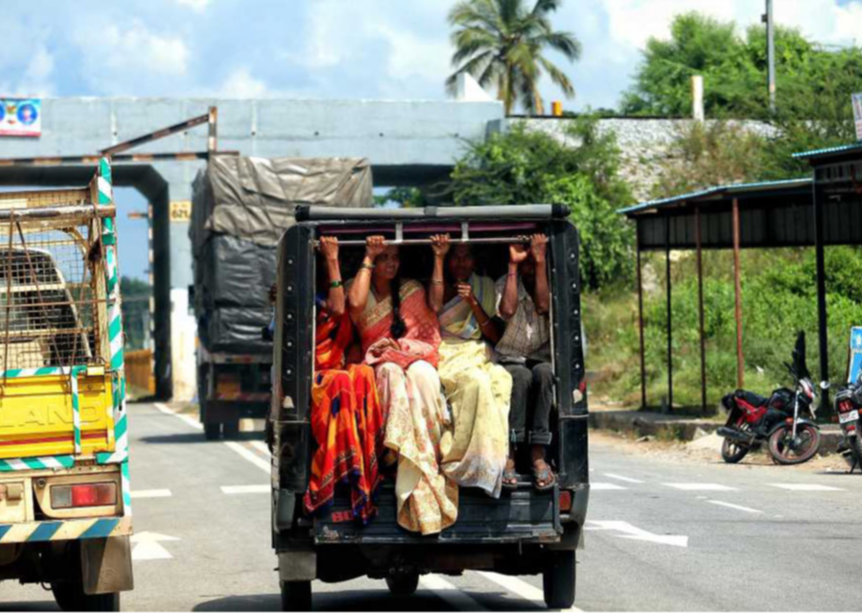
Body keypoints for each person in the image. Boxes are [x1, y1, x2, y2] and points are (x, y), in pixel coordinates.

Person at [348, 236, 457, 536]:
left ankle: (428, 454)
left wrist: (404, 348)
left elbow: (426, 336)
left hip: (412, 355)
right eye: (385, 257)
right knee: (391, 374)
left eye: (395, 257)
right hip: (378, 362)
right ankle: (393, 452)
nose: (391, 263)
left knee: (424, 374)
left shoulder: (410, 290)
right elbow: (355, 307)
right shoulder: (357, 285)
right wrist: (369, 256)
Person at [303, 237, 384, 524]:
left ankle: (367, 464)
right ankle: (340, 469)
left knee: (361, 374)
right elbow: (337, 309)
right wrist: (332, 257)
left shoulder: (347, 292)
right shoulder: (307, 297)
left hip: (337, 368)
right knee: (339, 381)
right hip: (316, 378)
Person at [427, 234, 512, 498]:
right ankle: (463, 457)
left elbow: (494, 336)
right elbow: (434, 305)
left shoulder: (483, 286)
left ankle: (496, 458)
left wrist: (473, 302)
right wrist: (438, 258)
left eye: (467, 256)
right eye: (456, 256)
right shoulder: (434, 283)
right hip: (446, 351)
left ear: (474, 261)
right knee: (476, 383)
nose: (461, 262)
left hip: (476, 350)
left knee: (501, 380)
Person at [496, 234, 556, 491]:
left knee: (543, 373)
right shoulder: (505, 283)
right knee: (519, 377)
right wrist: (513, 266)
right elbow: (507, 311)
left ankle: (537, 452)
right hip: (509, 358)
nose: (530, 268)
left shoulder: (548, 283)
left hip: (538, 358)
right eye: (527, 264)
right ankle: (511, 450)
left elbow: (543, 305)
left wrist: (540, 261)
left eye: (535, 263)